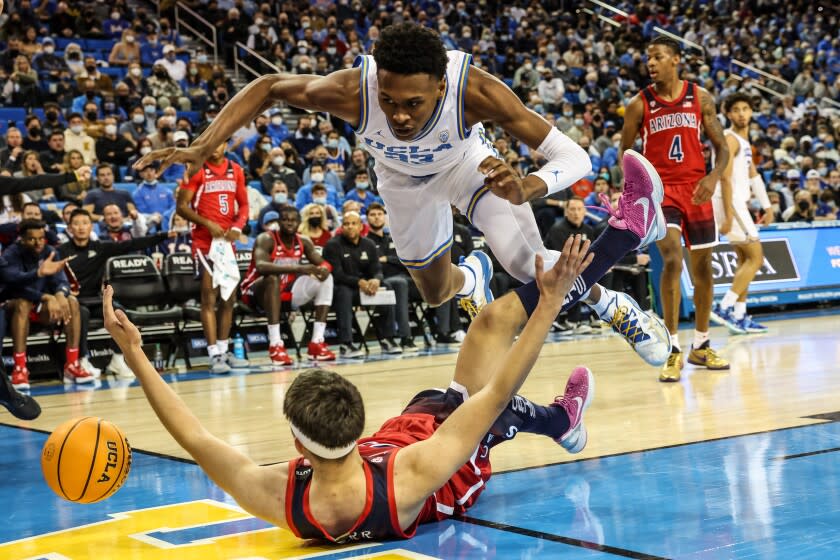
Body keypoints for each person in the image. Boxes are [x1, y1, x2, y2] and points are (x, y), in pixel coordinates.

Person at [137, 22, 671, 368]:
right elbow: (270, 86)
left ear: (442, 85)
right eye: (389, 100)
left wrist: (527, 185)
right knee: (437, 291)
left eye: (413, 103)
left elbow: (574, 157)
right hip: (399, 183)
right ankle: (472, 275)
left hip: (469, 168)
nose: (397, 115)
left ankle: (613, 304)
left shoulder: (476, 92)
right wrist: (204, 145)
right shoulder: (353, 90)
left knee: (530, 266)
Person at [102, 234, 595, 542]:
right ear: (357, 428)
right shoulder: (412, 474)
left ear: (298, 443)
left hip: (405, 428)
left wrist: (136, 355)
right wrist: (549, 304)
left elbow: (195, 438)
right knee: (494, 337)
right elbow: (495, 394)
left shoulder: (279, 497)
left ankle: (553, 416)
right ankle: (616, 244)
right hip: (447, 469)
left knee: (444, 392)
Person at [619, 36, 731, 382]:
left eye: (657, 57)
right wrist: (633, 195)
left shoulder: (701, 98)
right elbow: (626, 154)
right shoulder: (640, 104)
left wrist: (713, 177)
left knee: (704, 271)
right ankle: (671, 349)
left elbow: (722, 148)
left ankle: (701, 344)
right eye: (648, 58)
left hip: (697, 190)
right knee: (671, 258)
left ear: (676, 59)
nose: (650, 63)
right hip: (661, 194)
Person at [177, 142, 249, 374]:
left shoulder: (236, 169)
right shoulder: (196, 169)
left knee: (229, 297)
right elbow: (181, 206)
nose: (216, 147)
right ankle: (213, 354)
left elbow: (245, 204)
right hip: (204, 243)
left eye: (220, 142)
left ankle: (224, 348)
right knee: (209, 297)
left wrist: (238, 226)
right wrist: (207, 223)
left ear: (226, 144)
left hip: (227, 242)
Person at [0, 220, 94, 388]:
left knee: (72, 302)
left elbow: (62, 281)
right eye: (32, 239)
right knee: (23, 302)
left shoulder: (50, 251)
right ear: (21, 239)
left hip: (41, 307)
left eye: (41, 238)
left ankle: (72, 365)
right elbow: (14, 285)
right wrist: (44, 293)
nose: (38, 243)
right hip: (13, 308)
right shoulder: (10, 254)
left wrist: (59, 294)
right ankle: (20, 368)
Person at [710, 93, 772, 336]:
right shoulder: (730, 138)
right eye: (736, 109)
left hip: (736, 202)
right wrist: (726, 216)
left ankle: (739, 315)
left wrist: (767, 206)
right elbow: (724, 177)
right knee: (756, 258)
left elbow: (754, 174)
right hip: (730, 201)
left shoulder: (744, 142)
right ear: (728, 114)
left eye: (746, 108)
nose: (742, 113)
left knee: (744, 260)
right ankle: (724, 307)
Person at [240, 208, 336, 366]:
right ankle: (275, 345)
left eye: (293, 220)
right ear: (278, 222)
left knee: (326, 280)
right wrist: (299, 268)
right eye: (285, 219)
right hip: (254, 293)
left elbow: (322, 262)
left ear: (299, 223)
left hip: (284, 293)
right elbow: (261, 266)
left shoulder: (303, 241)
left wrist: (325, 269)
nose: (289, 222)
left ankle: (317, 343)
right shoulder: (266, 239)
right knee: (273, 278)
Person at [323, 210, 402, 357]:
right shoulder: (333, 245)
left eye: (354, 223)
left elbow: (377, 269)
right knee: (343, 292)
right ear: (342, 227)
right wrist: (359, 282)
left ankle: (388, 339)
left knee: (387, 287)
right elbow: (337, 275)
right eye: (346, 224)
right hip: (346, 287)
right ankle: (346, 344)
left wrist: (376, 279)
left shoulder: (369, 244)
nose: (350, 227)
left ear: (360, 226)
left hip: (367, 288)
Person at [365, 202, 418, 352]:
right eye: (372, 215)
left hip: (405, 278)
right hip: (383, 280)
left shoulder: (394, 238)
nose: (376, 218)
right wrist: (393, 260)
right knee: (399, 284)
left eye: (379, 214)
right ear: (367, 219)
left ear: (385, 217)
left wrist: (387, 259)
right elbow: (373, 264)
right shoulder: (366, 242)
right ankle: (405, 337)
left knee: (437, 282)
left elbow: (406, 261)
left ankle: (447, 331)